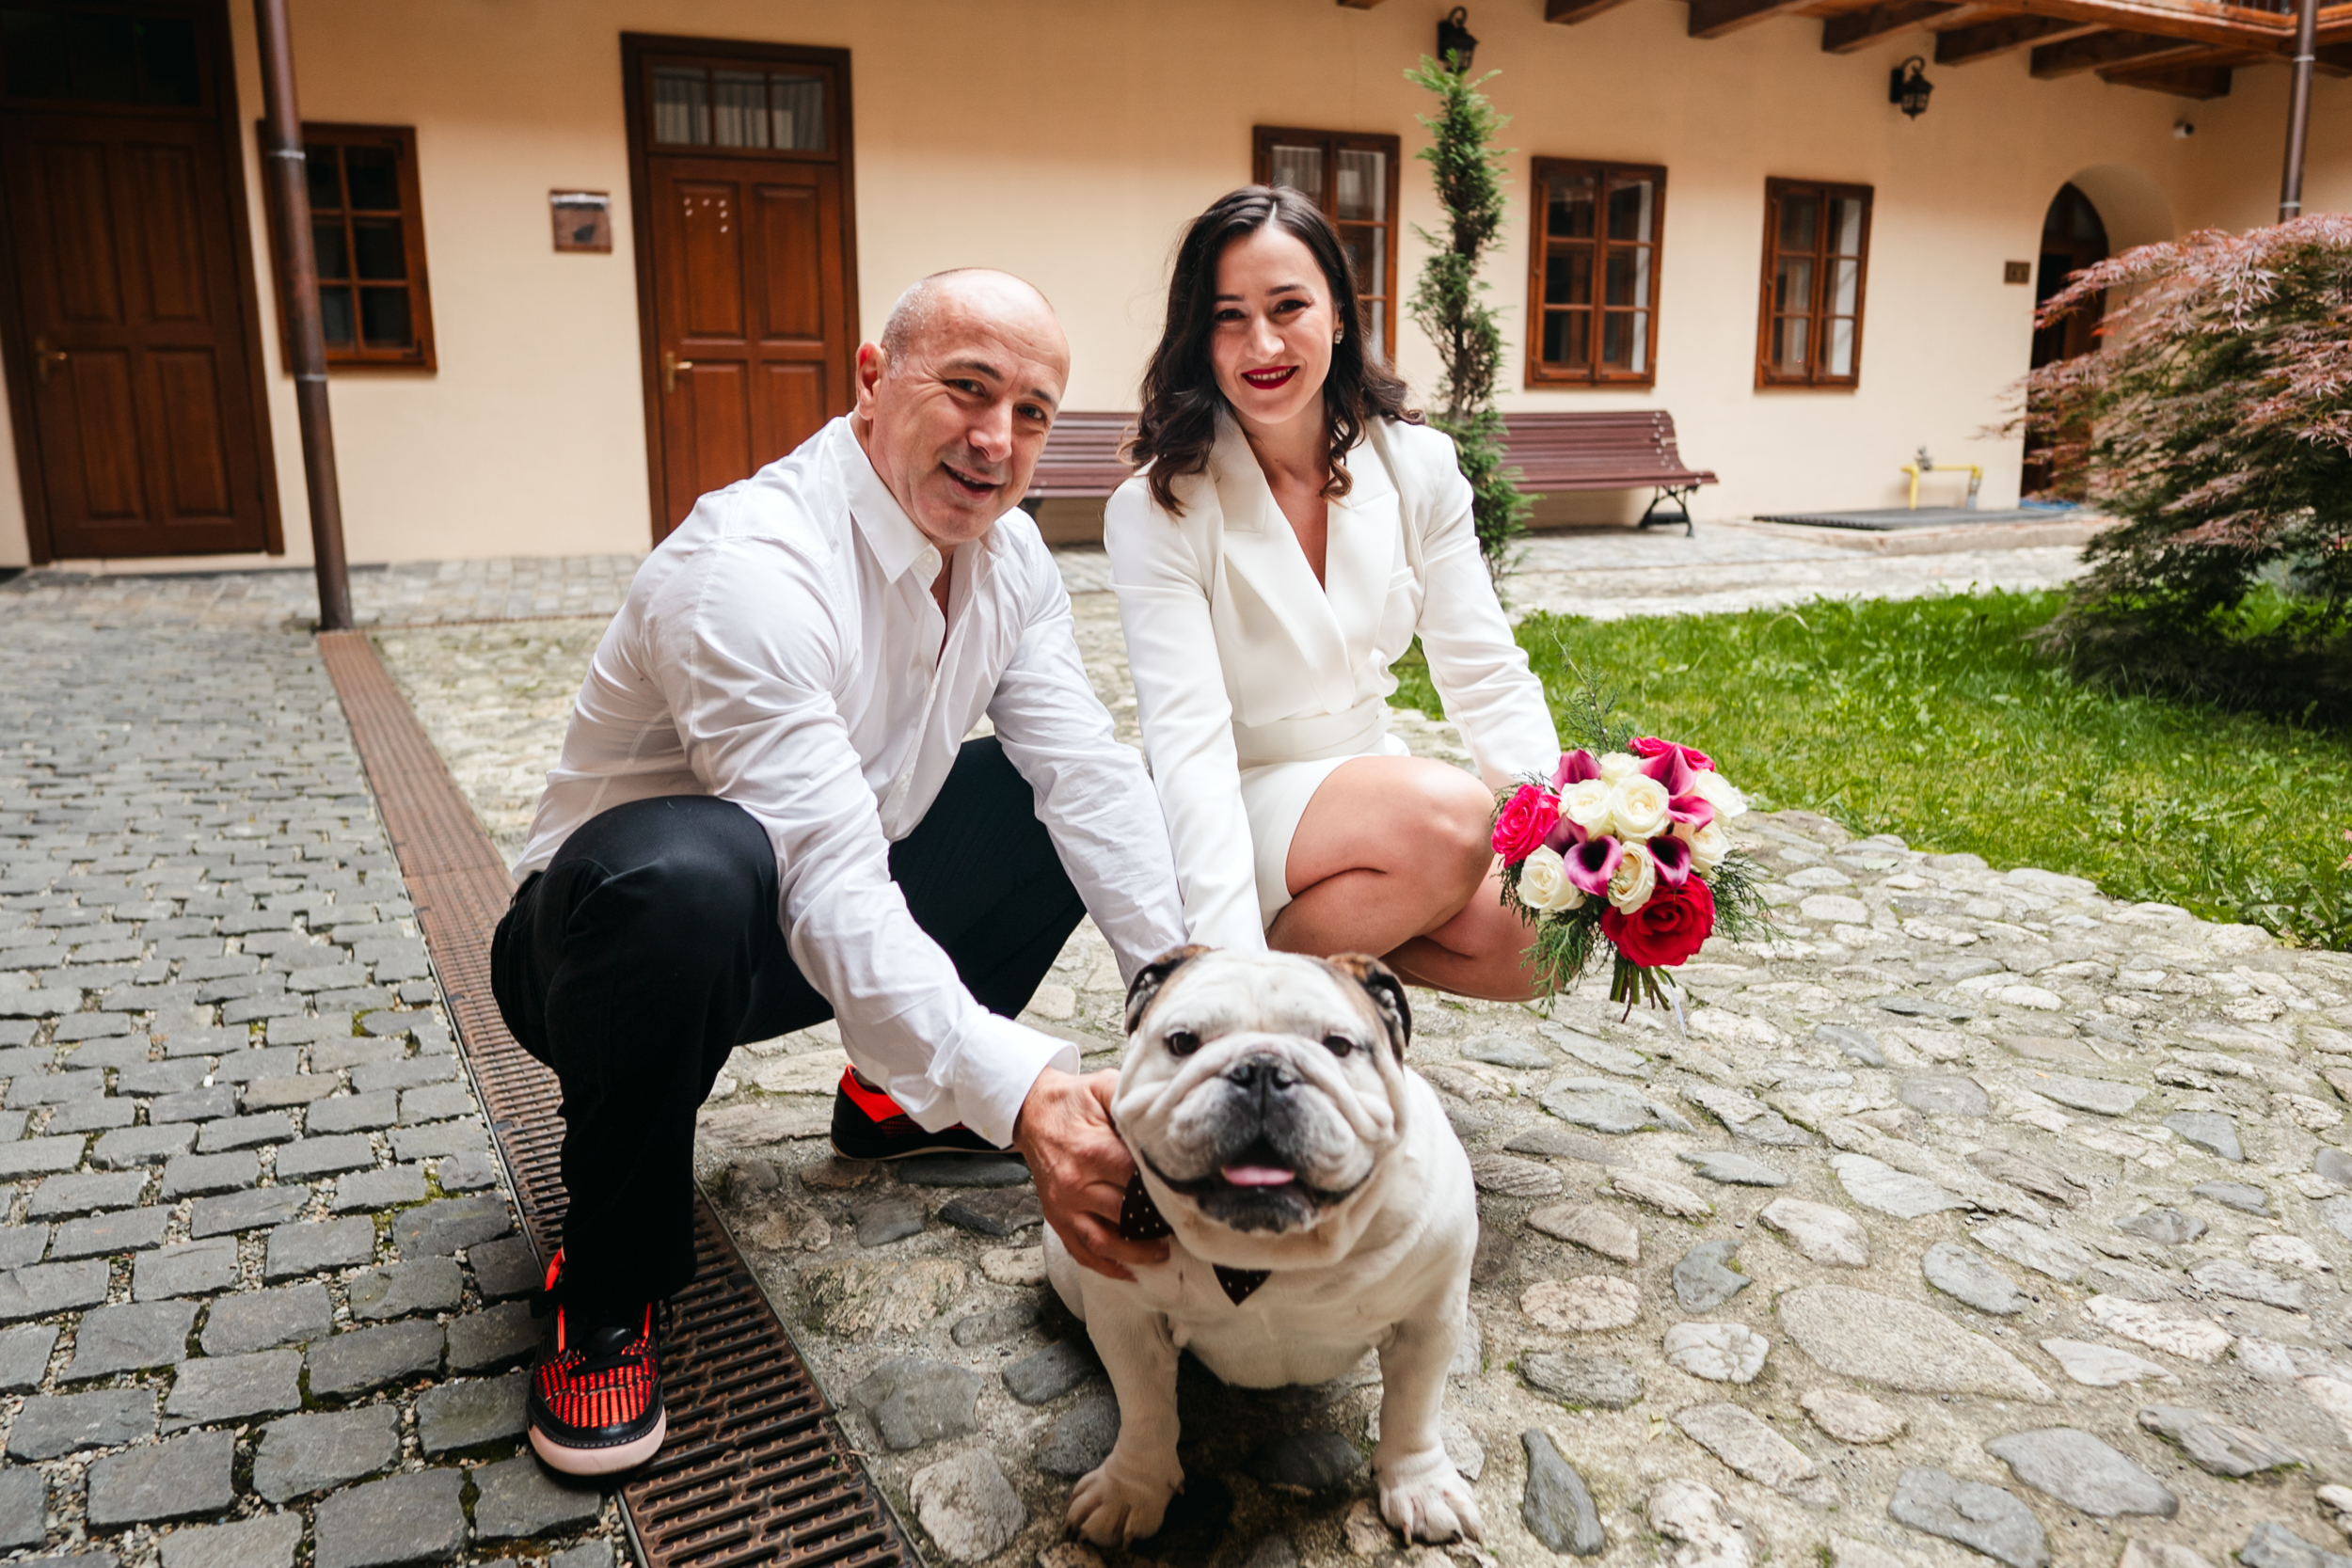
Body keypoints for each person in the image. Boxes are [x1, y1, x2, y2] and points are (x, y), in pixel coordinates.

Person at [492, 269, 1182, 1477]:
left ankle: (893, 1102)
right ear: (872, 379)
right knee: (694, 869)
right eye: (966, 389)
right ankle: (603, 1280)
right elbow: (819, 870)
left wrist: (1185, 993)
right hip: (610, 952)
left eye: (1030, 412)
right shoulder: (748, 563)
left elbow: (1083, 775)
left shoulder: (1011, 557)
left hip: (820, 899)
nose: (995, 438)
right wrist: (1026, 1095)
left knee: (1072, 790)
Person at [1106, 187, 1558, 995]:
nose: (1263, 342)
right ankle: (1248, 996)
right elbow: (1188, 746)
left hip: (1368, 785)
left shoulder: (1417, 465)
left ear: (1341, 313)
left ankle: (1309, 969)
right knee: (1453, 820)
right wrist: (1222, 952)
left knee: (1536, 933)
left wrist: (1568, 839)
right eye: (1229, 316)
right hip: (1242, 795)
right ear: (1198, 337)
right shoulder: (1159, 505)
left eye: (1289, 306)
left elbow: (1484, 671)